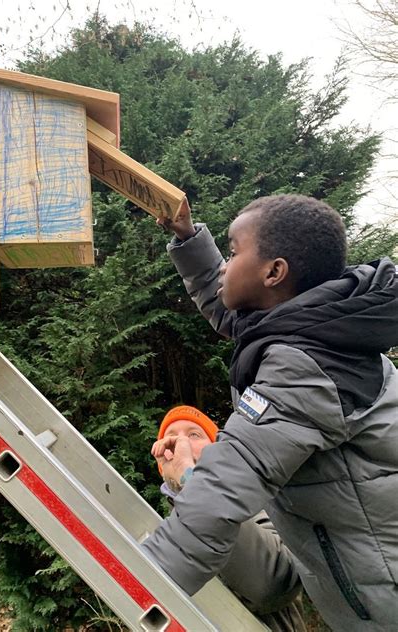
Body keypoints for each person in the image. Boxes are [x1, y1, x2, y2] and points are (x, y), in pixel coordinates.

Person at [142, 194, 398, 631]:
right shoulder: (315, 325)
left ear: (274, 272)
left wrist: (141, 582)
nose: (226, 266)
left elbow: (229, 480)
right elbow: (229, 307)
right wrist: (188, 238)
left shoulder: (306, 367)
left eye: (235, 252)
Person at [154, 404, 306, 632]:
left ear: (218, 451)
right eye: (171, 437)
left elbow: (274, 582)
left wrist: (190, 477)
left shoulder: (256, 501)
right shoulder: (167, 533)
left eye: (194, 435)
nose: (180, 444)